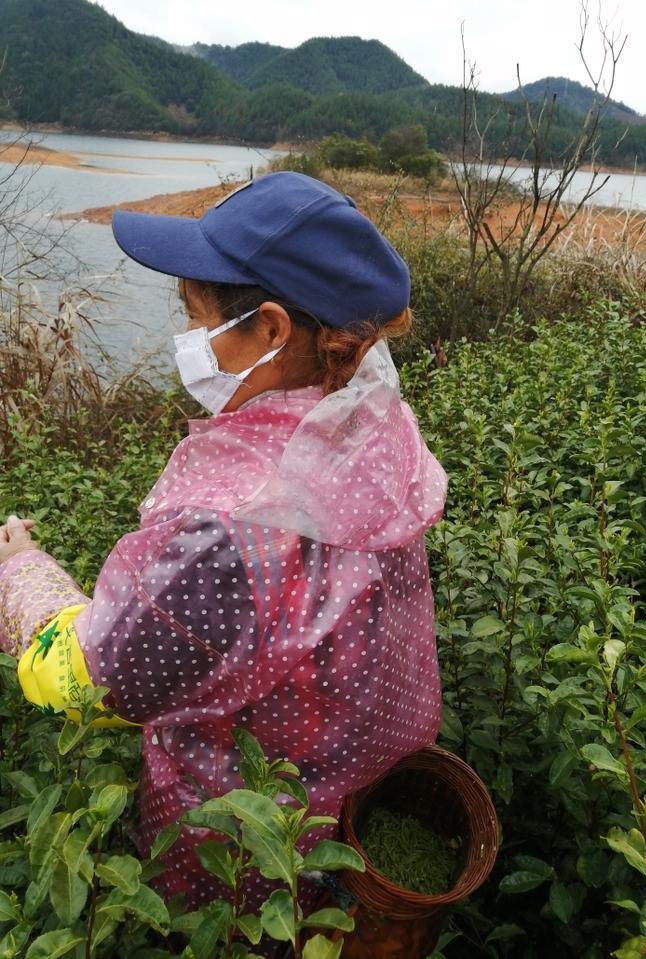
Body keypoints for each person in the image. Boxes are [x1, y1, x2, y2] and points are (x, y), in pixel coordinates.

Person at [0, 172, 447, 915]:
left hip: (242, 858)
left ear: (271, 328)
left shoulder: (230, 529)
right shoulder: (376, 428)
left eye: (195, 314)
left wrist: (20, 570)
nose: (184, 339)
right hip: (356, 802)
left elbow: (93, 677)